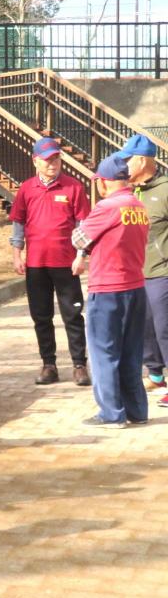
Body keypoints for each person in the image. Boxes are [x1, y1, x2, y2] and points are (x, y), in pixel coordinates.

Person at [71, 153, 150, 428]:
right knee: (131, 352)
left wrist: (85, 243)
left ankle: (111, 413)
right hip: (136, 287)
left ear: (102, 182)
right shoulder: (138, 206)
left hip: (107, 289)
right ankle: (137, 411)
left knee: (104, 352)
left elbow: (79, 237)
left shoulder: (107, 207)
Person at [9, 137, 92, 386]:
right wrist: (17, 255)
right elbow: (18, 224)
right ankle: (49, 365)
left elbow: (83, 225)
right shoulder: (26, 189)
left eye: (56, 159)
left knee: (73, 314)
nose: (52, 164)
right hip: (36, 264)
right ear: (35, 161)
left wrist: (81, 256)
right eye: (47, 160)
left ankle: (79, 365)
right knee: (41, 316)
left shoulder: (74, 187)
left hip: (67, 264)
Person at [122, 134, 168, 402]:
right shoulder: (130, 191)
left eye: (128, 160)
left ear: (142, 160)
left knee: (164, 327)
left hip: (162, 271)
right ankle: (155, 374)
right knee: (143, 326)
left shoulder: (164, 190)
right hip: (135, 271)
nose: (124, 165)